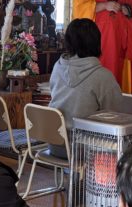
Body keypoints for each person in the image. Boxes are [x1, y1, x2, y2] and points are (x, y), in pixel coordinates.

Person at [49, 19, 123, 158]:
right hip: (86, 148)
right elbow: (115, 116)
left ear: (68, 42)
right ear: (97, 41)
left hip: (54, 144)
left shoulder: (57, 67)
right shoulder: (103, 76)